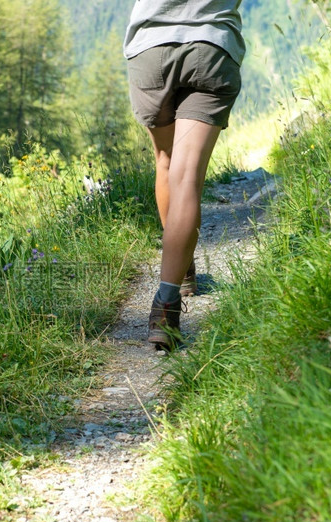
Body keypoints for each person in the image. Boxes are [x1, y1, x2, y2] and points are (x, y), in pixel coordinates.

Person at [124, 0, 245, 350]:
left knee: (166, 161)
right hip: (212, 46)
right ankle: (166, 307)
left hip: (150, 47)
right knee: (187, 176)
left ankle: (184, 269)